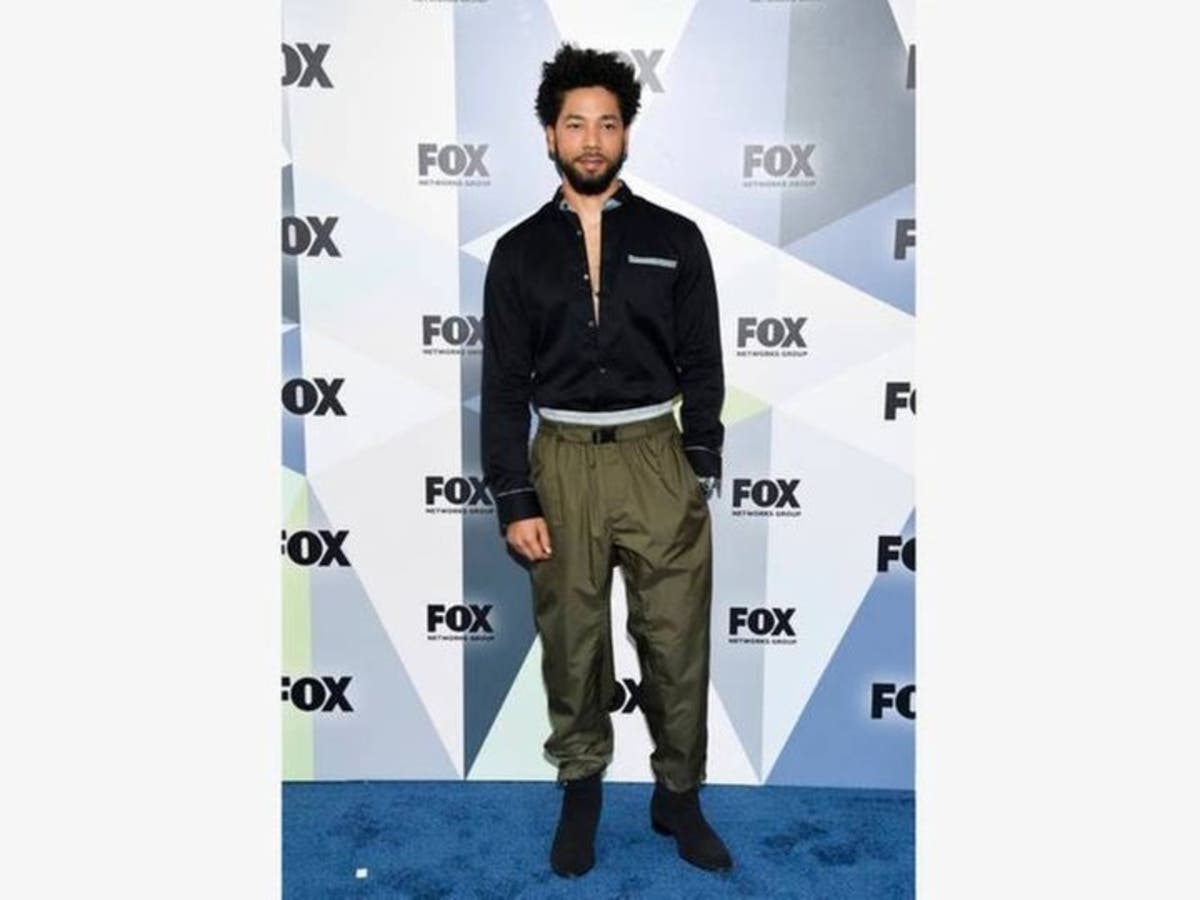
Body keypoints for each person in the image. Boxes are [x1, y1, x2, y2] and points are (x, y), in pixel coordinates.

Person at [480, 43, 731, 878]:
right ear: (548, 135)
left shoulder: (676, 238)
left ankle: (678, 797)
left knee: (675, 640)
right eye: (575, 124)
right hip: (558, 464)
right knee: (573, 641)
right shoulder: (516, 253)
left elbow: (702, 360)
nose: (592, 140)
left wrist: (696, 461)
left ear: (626, 135)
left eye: (608, 124)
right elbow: (502, 385)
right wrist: (515, 496)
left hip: (655, 457)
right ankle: (582, 789)